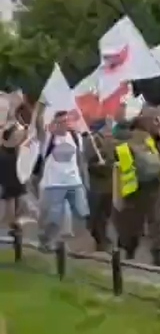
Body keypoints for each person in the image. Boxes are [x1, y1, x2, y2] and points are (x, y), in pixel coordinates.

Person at [114, 115, 160, 266]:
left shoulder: (140, 142)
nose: (156, 125)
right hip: (144, 188)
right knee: (148, 222)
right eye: (153, 122)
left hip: (141, 187)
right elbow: (149, 165)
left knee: (144, 222)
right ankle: (149, 253)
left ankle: (134, 251)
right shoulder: (136, 143)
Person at [31, 107, 89, 252]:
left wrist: (85, 179)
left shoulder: (76, 137)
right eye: (60, 122)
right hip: (54, 183)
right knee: (53, 218)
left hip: (74, 182)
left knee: (82, 213)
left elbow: (80, 160)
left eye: (66, 121)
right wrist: (39, 110)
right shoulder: (48, 138)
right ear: (54, 123)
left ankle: (78, 245)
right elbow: (38, 126)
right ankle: (46, 241)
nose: (63, 124)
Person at [84, 120, 115, 252]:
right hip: (97, 185)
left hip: (109, 184)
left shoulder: (110, 139)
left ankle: (102, 236)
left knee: (106, 213)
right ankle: (99, 239)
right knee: (97, 214)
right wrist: (103, 166)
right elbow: (89, 163)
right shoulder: (92, 141)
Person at [0, 113, 26, 230]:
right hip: (8, 179)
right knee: (11, 199)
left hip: (16, 178)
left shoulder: (15, 149)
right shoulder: (4, 152)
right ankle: (11, 224)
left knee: (16, 200)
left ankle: (12, 223)